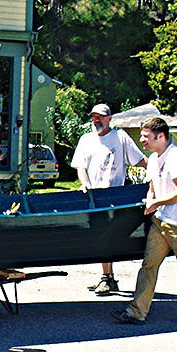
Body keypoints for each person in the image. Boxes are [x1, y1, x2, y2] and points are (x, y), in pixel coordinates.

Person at [113, 117, 177, 324]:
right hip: (161, 221)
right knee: (148, 266)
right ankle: (137, 312)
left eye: (146, 137)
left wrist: (155, 202)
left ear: (161, 136)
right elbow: (154, 186)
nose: (142, 141)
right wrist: (150, 198)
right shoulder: (154, 159)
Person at [71, 103, 147, 295]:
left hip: (115, 196)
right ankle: (106, 277)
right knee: (99, 237)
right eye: (94, 117)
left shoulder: (121, 137)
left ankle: (108, 278)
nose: (97, 120)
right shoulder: (86, 139)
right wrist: (85, 184)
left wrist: (160, 168)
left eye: (101, 117)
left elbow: (139, 160)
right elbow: (81, 167)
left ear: (110, 118)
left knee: (107, 237)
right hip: (94, 198)